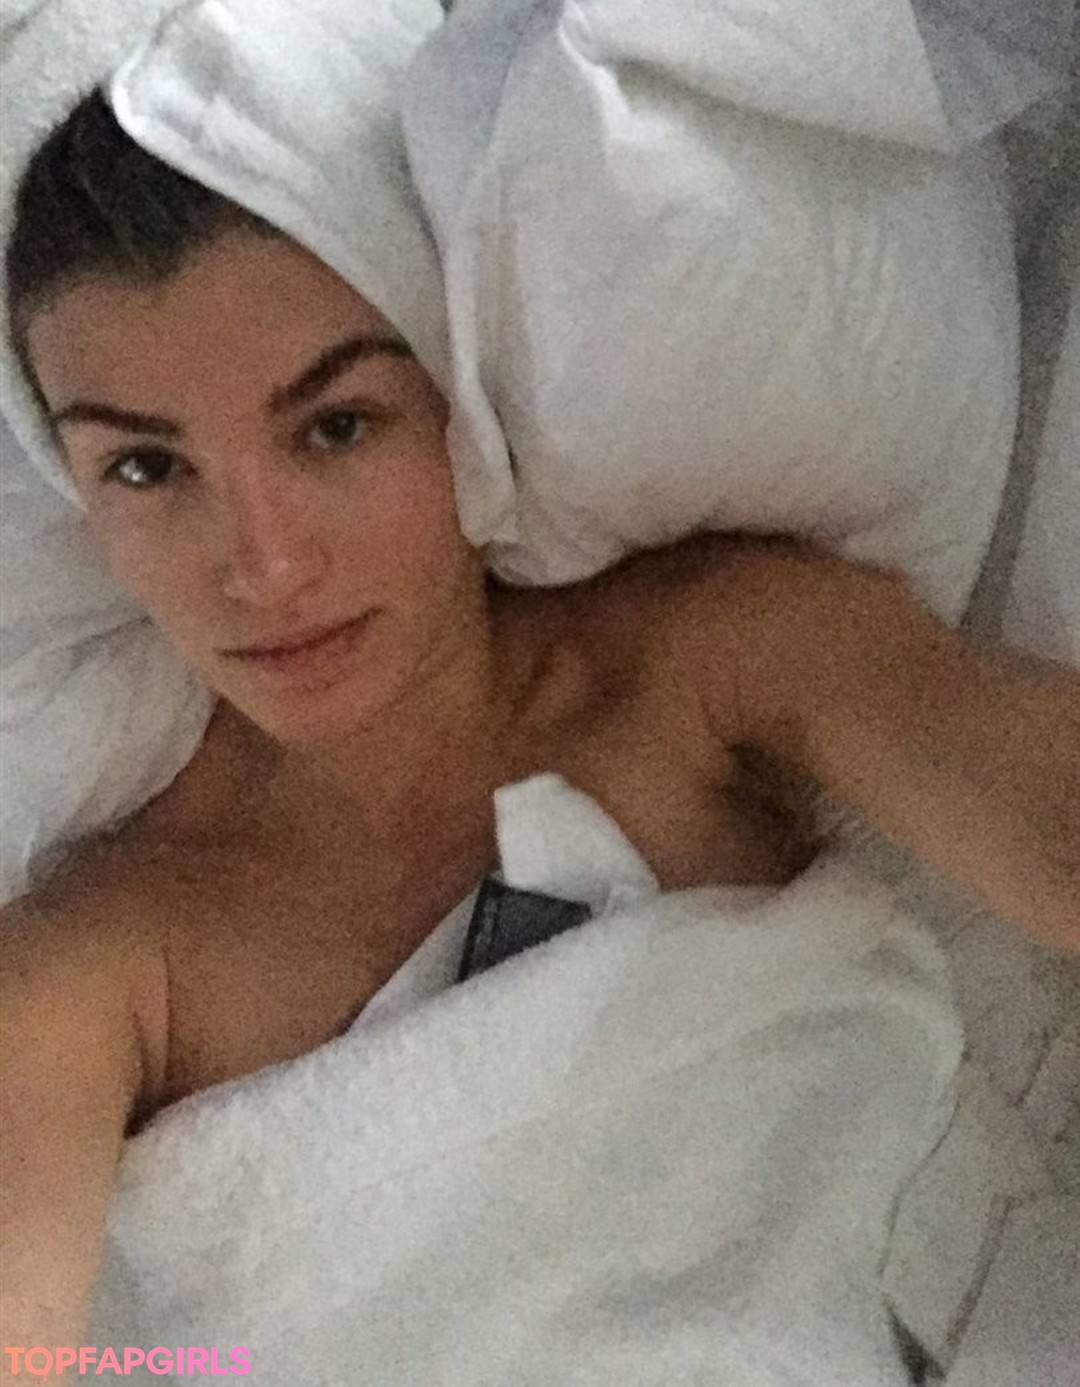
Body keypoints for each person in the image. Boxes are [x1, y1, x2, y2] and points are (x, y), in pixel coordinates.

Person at [0, 90, 1077, 1374]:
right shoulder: (101, 959)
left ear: (457, 399)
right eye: (146, 467)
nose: (265, 566)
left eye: (337, 426)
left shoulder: (701, 657)